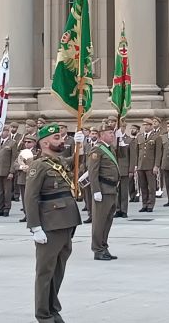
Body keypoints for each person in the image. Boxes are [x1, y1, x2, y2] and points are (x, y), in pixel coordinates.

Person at [26, 124, 84, 323]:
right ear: (45, 142)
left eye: (62, 137)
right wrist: (35, 227)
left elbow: (75, 164)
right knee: (45, 272)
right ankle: (43, 314)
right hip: (49, 225)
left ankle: (53, 309)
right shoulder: (38, 166)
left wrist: (79, 147)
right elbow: (30, 198)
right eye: (57, 138)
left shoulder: (58, 161)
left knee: (58, 271)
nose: (62, 140)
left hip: (66, 222)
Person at [89, 123, 120, 260]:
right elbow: (93, 172)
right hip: (103, 189)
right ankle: (97, 249)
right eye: (109, 133)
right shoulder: (97, 150)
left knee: (107, 221)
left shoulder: (110, 148)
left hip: (112, 189)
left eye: (112, 133)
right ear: (101, 135)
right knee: (99, 222)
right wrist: (96, 190)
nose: (112, 135)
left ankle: (104, 246)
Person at [135, 118, 162, 213]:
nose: (145, 126)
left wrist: (156, 165)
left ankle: (150, 204)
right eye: (144, 125)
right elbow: (137, 152)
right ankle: (144, 204)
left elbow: (158, 153)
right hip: (141, 165)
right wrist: (136, 165)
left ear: (151, 126)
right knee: (143, 186)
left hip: (150, 165)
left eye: (147, 125)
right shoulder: (140, 136)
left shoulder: (156, 137)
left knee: (151, 186)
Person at [112, 117, 133, 218]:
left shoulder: (129, 140)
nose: (121, 129)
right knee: (116, 191)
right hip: (115, 168)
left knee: (124, 191)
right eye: (119, 127)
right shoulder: (114, 140)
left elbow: (132, 156)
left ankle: (124, 210)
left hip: (125, 168)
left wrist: (131, 169)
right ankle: (117, 209)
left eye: (123, 127)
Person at [0, 124, 16, 217]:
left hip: (6, 171)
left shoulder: (12, 143)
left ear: (8, 132)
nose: (2, 133)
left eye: (4, 131)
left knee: (7, 191)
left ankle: (7, 209)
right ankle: (0, 208)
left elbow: (14, 158)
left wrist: (11, 171)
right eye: (1, 131)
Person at [16, 133, 38, 223]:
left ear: (34, 143)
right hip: (22, 178)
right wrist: (21, 167)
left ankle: (33, 215)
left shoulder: (37, 153)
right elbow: (15, 164)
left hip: (33, 178)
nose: (26, 144)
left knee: (32, 198)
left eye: (29, 142)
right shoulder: (22, 152)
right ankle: (26, 215)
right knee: (24, 198)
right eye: (25, 142)